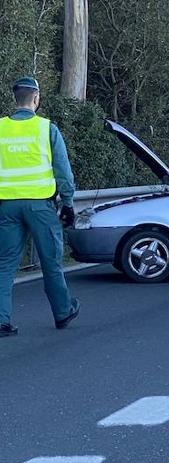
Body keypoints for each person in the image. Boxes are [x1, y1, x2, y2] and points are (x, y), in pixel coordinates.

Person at [0, 77, 81, 337]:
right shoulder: (46, 129)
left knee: (4, 265)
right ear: (36, 98)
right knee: (51, 261)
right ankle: (63, 311)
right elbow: (63, 171)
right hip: (39, 206)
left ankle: (2, 321)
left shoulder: (1, 129)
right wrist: (67, 203)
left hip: (7, 207)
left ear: (15, 100)